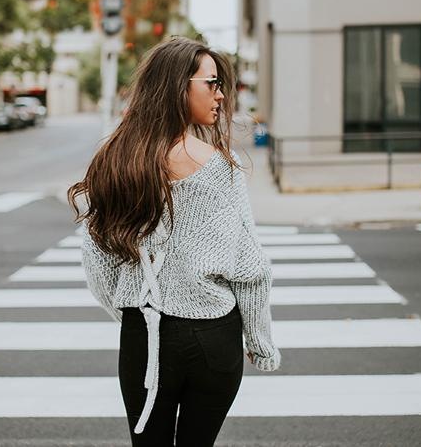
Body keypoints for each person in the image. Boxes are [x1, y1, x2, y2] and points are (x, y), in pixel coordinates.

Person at [67, 36, 280, 447]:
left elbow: (97, 262)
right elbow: (251, 268)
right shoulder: (221, 169)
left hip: (143, 335)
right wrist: (259, 342)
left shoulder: (116, 161)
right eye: (211, 83)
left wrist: (134, 313)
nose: (220, 95)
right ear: (178, 87)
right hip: (212, 337)